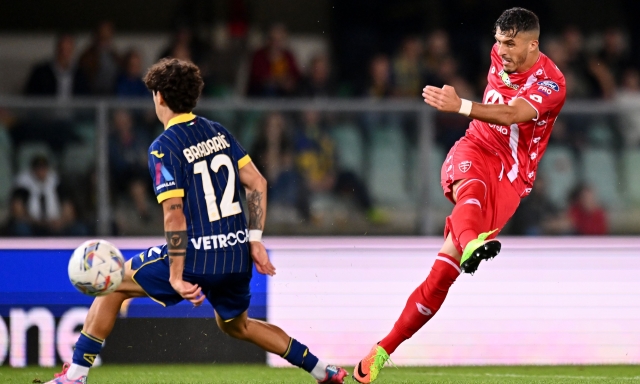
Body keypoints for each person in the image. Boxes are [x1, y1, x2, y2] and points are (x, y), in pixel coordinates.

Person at [46, 58, 348, 384]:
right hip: (235, 256)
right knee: (238, 325)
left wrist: (176, 275)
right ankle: (323, 371)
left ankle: (75, 376)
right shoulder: (218, 132)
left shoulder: (163, 147)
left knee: (113, 283)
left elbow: (174, 215)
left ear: (160, 97)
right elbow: (257, 182)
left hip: (196, 256)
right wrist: (255, 239)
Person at [353, 8, 567, 383]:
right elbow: (493, 116)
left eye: (511, 44)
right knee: (471, 189)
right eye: (499, 41)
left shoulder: (551, 82)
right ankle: (471, 243)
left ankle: (381, 350)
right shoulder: (500, 55)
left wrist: (462, 105)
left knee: (441, 276)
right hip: (474, 149)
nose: (502, 50)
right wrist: (464, 111)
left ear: (534, 44)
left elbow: (513, 114)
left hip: (512, 180)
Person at [24, 34, 90, 98]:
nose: (64, 54)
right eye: (62, 49)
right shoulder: (41, 73)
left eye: (68, 50)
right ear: (57, 49)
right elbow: (31, 96)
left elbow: (85, 97)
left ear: (73, 50)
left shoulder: (81, 74)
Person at [247, 23, 301, 97]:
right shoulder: (259, 56)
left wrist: (289, 82)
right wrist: (278, 81)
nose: (275, 43)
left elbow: (295, 75)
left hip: (285, 93)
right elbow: (258, 77)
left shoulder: (288, 56)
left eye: (279, 40)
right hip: (263, 94)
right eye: (273, 39)